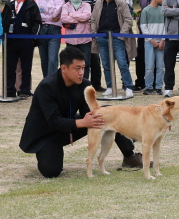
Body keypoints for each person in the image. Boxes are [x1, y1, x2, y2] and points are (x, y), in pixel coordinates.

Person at [19, 46, 144, 177]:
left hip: (70, 126)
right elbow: (53, 121)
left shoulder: (84, 84)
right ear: (64, 68)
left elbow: (89, 114)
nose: (81, 72)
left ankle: (130, 156)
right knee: (51, 171)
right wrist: (82, 123)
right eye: (77, 68)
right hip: (46, 134)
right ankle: (47, 152)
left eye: (83, 68)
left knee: (106, 114)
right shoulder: (47, 87)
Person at [91, 0, 135, 92]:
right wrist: (95, 34)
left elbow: (128, 20)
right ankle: (110, 86)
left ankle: (128, 86)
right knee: (106, 64)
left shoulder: (121, 2)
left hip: (117, 38)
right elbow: (93, 20)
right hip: (101, 38)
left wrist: (121, 35)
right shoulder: (98, 3)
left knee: (122, 63)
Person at [2, 0, 41, 98]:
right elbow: (4, 20)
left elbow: (37, 22)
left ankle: (24, 90)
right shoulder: (8, 3)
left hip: (26, 41)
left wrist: (32, 38)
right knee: (10, 66)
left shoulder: (31, 4)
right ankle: (9, 90)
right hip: (11, 40)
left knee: (26, 67)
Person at [57, 0, 97, 87]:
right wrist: (78, 17)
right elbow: (63, 18)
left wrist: (72, 16)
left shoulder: (87, 5)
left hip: (85, 39)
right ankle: (72, 85)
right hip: (71, 40)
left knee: (86, 63)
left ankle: (85, 85)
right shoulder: (65, 6)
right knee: (71, 64)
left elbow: (86, 17)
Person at [36, 0, 67, 79]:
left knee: (53, 58)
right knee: (43, 58)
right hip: (42, 30)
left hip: (54, 30)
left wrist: (49, 1)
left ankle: (52, 81)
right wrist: (48, 17)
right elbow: (38, 15)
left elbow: (55, 14)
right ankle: (46, 81)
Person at [140, 0, 167, 95]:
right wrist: (152, 40)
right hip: (149, 43)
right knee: (149, 66)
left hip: (161, 42)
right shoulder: (145, 11)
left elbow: (166, 26)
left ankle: (159, 87)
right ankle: (148, 86)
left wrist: (162, 41)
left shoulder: (163, 11)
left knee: (161, 66)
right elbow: (143, 27)